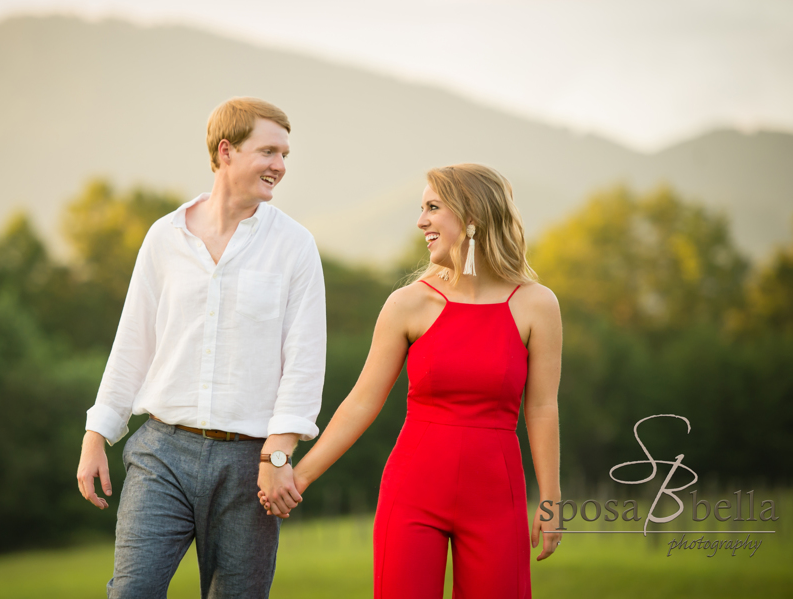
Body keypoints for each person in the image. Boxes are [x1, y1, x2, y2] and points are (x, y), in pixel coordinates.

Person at [262, 163, 562, 598]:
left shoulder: (537, 305)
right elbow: (362, 402)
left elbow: (542, 408)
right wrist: (300, 476)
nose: (421, 220)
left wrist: (551, 502)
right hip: (412, 495)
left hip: (499, 500)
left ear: (472, 215)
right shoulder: (407, 304)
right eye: (421, 208)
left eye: (433, 207)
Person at [76, 97, 326, 599]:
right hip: (162, 451)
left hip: (249, 463)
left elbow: (303, 363)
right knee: (132, 591)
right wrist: (97, 433)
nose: (279, 165)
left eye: (285, 155)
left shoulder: (295, 246)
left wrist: (278, 457)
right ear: (227, 151)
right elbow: (133, 342)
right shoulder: (163, 237)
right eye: (269, 151)